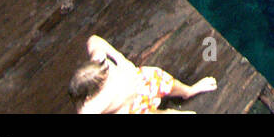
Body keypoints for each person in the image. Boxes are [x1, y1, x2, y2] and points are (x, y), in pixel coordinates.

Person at [68, 35, 217, 114]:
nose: (108, 74)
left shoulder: (99, 62)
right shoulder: (90, 107)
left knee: (168, 82)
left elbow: (93, 40)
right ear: (90, 95)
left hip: (144, 80)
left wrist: (120, 59)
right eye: (104, 81)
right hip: (133, 109)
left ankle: (188, 91)